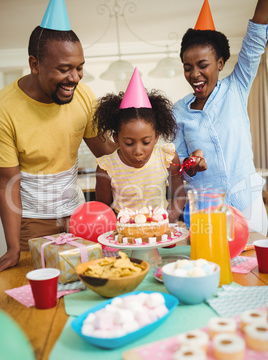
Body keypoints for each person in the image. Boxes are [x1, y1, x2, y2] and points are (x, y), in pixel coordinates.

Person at [0, 8, 116, 271]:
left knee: (86, 278)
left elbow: (106, 153)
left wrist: (137, 145)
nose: (74, 78)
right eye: (64, 69)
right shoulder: (4, 109)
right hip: (32, 220)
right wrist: (14, 248)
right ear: (34, 65)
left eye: (79, 68)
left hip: (77, 214)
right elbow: (7, 182)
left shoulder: (84, 96)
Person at [173, 0, 268, 235]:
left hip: (248, 202)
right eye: (187, 67)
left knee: (256, 268)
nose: (194, 74)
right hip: (206, 209)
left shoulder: (236, 87)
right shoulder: (177, 112)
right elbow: (179, 165)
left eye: (202, 65)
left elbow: (256, 35)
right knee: (210, 267)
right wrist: (191, 164)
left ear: (220, 63)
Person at [93, 68, 207, 222]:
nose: (138, 151)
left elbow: (178, 196)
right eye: (129, 143)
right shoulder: (107, 167)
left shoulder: (166, 157)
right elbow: (103, 209)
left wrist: (167, 220)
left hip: (160, 230)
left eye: (146, 142)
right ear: (116, 139)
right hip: (125, 236)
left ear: (156, 137)